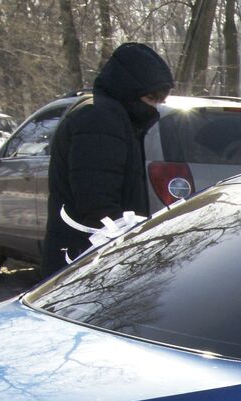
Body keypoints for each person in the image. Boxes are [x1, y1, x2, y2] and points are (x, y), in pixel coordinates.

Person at [43, 42, 174, 276]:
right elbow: (97, 204)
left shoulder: (110, 115)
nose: (156, 107)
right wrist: (124, 257)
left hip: (87, 255)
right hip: (87, 260)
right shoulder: (100, 119)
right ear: (131, 90)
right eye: (152, 98)